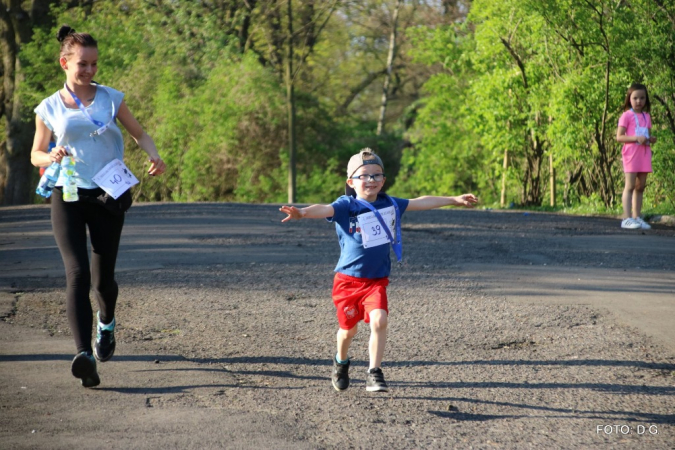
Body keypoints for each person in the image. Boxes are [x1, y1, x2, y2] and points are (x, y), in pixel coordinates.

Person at [30, 25, 166, 388]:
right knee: (76, 273)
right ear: (64, 63)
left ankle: (106, 323)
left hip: (108, 195)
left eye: (94, 64)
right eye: (82, 64)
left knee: (102, 281)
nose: (89, 70)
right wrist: (50, 153)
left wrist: (153, 154)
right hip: (67, 194)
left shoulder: (110, 98)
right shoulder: (49, 107)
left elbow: (139, 132)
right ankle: (83, 355)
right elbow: (35, 153)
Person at [279, 148, 478, 392]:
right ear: (351, 181)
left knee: (380, 320)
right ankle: (341, 362)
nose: (371, 180)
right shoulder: (346, 205)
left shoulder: (390, 204)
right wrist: (302, 213)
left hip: (376, 281)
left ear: (383, 181)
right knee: (348, 331)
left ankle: (374, 372)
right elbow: (324, 208)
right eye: (364, 176)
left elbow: (421, 202)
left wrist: (453, 200)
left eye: (376, 175)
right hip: (347, 282)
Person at [616, 83, 657, 230]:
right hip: (631, 155)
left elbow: (646, 135)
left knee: (640, 187)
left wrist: (650, 139)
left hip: (644, 154)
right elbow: (619, 137)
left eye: (642, 98)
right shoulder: (626, 115)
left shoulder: (647, 116)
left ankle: (636, 217)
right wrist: (635, 138)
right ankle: (626, 218)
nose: (639, 101)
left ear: (646, 99)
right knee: (630, 185)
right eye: (635, 98)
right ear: (629, 99)